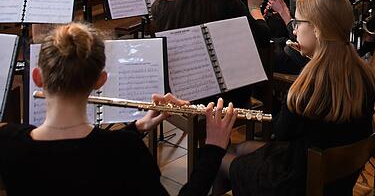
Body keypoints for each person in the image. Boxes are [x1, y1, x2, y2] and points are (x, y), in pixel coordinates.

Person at [0, 22, 236, 196]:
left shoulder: (9, 141)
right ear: (100, 80)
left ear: (38, 78)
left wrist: (138, 126)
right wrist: (213, 148)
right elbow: (99, 152)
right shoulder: (125, 152)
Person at [211, 0, 375, 196]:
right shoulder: (362, 72)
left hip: (298, 181)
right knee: (241, 147)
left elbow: (281, 133)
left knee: (217, 156)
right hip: (337, 178)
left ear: (317, 30)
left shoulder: (309, 85)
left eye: (298, 23)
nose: (294, 29)